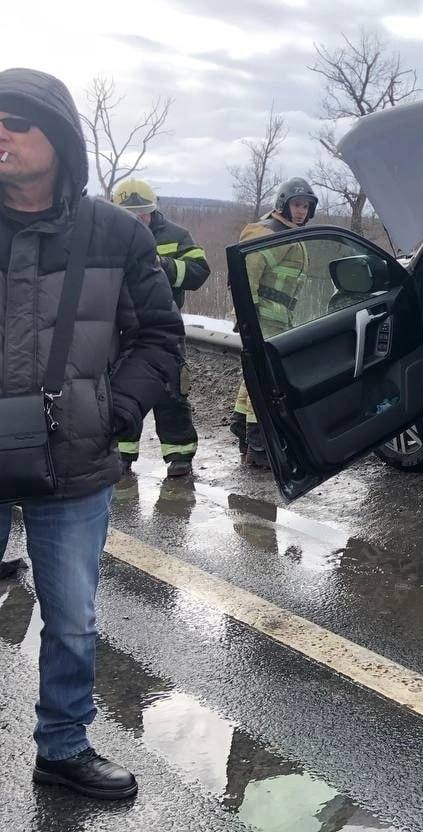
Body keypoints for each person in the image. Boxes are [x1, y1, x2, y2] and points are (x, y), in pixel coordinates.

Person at [0, 68, 183, 799]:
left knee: (72, 619)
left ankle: (63, 748)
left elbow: (161, 338)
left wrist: (112, 412)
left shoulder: (115, 234)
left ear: (62, 140)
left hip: (72, 460)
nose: (0, 131)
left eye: (16, 119)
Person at [112, 179, 210, 477]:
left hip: (164, 323)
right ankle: (121, 454)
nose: (136, 219)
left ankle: (180, 455)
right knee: (120, 389)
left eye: (141, 212)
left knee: (171, 390)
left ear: (153, 210)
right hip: (122, 326)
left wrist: (162, 265)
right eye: (130, 213)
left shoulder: (175, 235)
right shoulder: (109, 235)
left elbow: (199, 271)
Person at [230, 177, 316, 468]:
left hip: (278, 320)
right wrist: (247, 319)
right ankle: (259, 444)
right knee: (265, 381)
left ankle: (242, 430)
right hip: (261, 319)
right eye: (296, 204)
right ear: (283, 204)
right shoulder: (266, 232)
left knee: (253, 378)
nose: (301, 211)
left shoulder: (289, 233)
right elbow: (246, 277)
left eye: (306, 206)